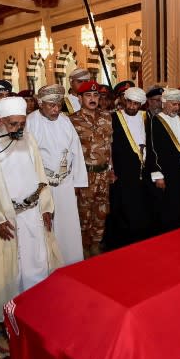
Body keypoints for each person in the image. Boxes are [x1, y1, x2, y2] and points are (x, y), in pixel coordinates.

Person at [0, 96, 61, 324]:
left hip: (32, 214)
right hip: (6, 219)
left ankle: (36, 309)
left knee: (37, 262)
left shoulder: (28, 141)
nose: (19, 129)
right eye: (13, 124)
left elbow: (41, 177)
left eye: (22, 123)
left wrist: (46, 206)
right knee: (10, 271)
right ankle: (12, 314)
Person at [26, 84, 86, 265]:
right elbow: (28, 158)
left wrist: (78, 182)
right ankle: (49, 264)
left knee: (68, 227)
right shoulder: (31, 122)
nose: (56, 109)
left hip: (66, 184)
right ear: (40, 103)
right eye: (51, 105)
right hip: (43, 186)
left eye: (59, 104)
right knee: (47, 226)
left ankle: (71, 262)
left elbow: (76, 151)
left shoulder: (65, 121)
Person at [70, 81, 113, 257]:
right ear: (80, 98)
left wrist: (111, 169)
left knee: (101, 212)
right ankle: (84, 248)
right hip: (84, 176)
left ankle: (96, 244)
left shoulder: (107, 117)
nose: (93, 99)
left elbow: (109, 146)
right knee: (83, 214)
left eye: (96, 96)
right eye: (88, 96)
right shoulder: (72, 120)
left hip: (103, 174)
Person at [146, 87, 180, 233]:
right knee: (170, 209)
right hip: (167, 173)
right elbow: (152, 149)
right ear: (164, 103)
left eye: (178, 104)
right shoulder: (156, 121)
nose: (177, 107)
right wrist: (158, 175)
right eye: (173, 104)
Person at [107, 86, 151, 249]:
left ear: (141, 104)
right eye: (130, 103)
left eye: (136, 104)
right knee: (124, 207)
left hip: (143, 171)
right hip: (122, 171)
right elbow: (108, 146)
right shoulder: (114, 118)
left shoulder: (147, 117)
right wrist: (110, 168)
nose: (132, 107)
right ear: (125, 101)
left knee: (143, 206)